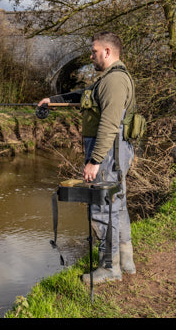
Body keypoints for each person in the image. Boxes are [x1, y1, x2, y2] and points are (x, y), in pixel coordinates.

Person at [38, 31, 136, 284]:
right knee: (117, 204)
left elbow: (110, 124)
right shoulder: (109, 79)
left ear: (107, 52)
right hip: (114, 153)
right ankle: (125, 262)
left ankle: (109, 267)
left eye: (94, 51)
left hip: (108, 154)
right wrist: (53, 100)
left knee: (102, 207)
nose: (91, 56)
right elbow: (84, 95)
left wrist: (94, 161)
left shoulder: (114, 81)